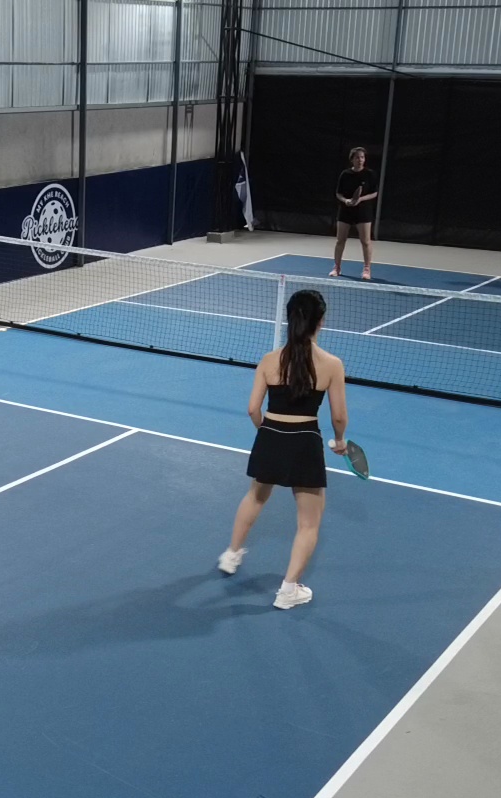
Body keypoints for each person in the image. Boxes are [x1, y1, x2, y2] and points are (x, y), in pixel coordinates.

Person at [217, 289, 349, 610]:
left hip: (271, 436)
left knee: (256, 496)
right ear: (320, 322)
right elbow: (338, 417)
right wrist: (340, 441)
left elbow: (252, 409)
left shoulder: (269, 360)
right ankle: (288, 591)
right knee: (308, 523)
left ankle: (231, 556)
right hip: (305, 442)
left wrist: (268, 434)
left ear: (291, 319)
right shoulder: (332, 365)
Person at [331, 146, 378, 280]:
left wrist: (360, 199)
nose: (360, 160)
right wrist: (346, 201)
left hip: (363, 211)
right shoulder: (345, 174)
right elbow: (338, 193)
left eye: (362, 157)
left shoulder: (370, 174)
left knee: (365, 241)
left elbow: (374, 193)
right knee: (340, 240)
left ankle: (367, 269)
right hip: (345, 211)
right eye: (357, 157)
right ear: (352, 159)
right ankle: (337, 267)